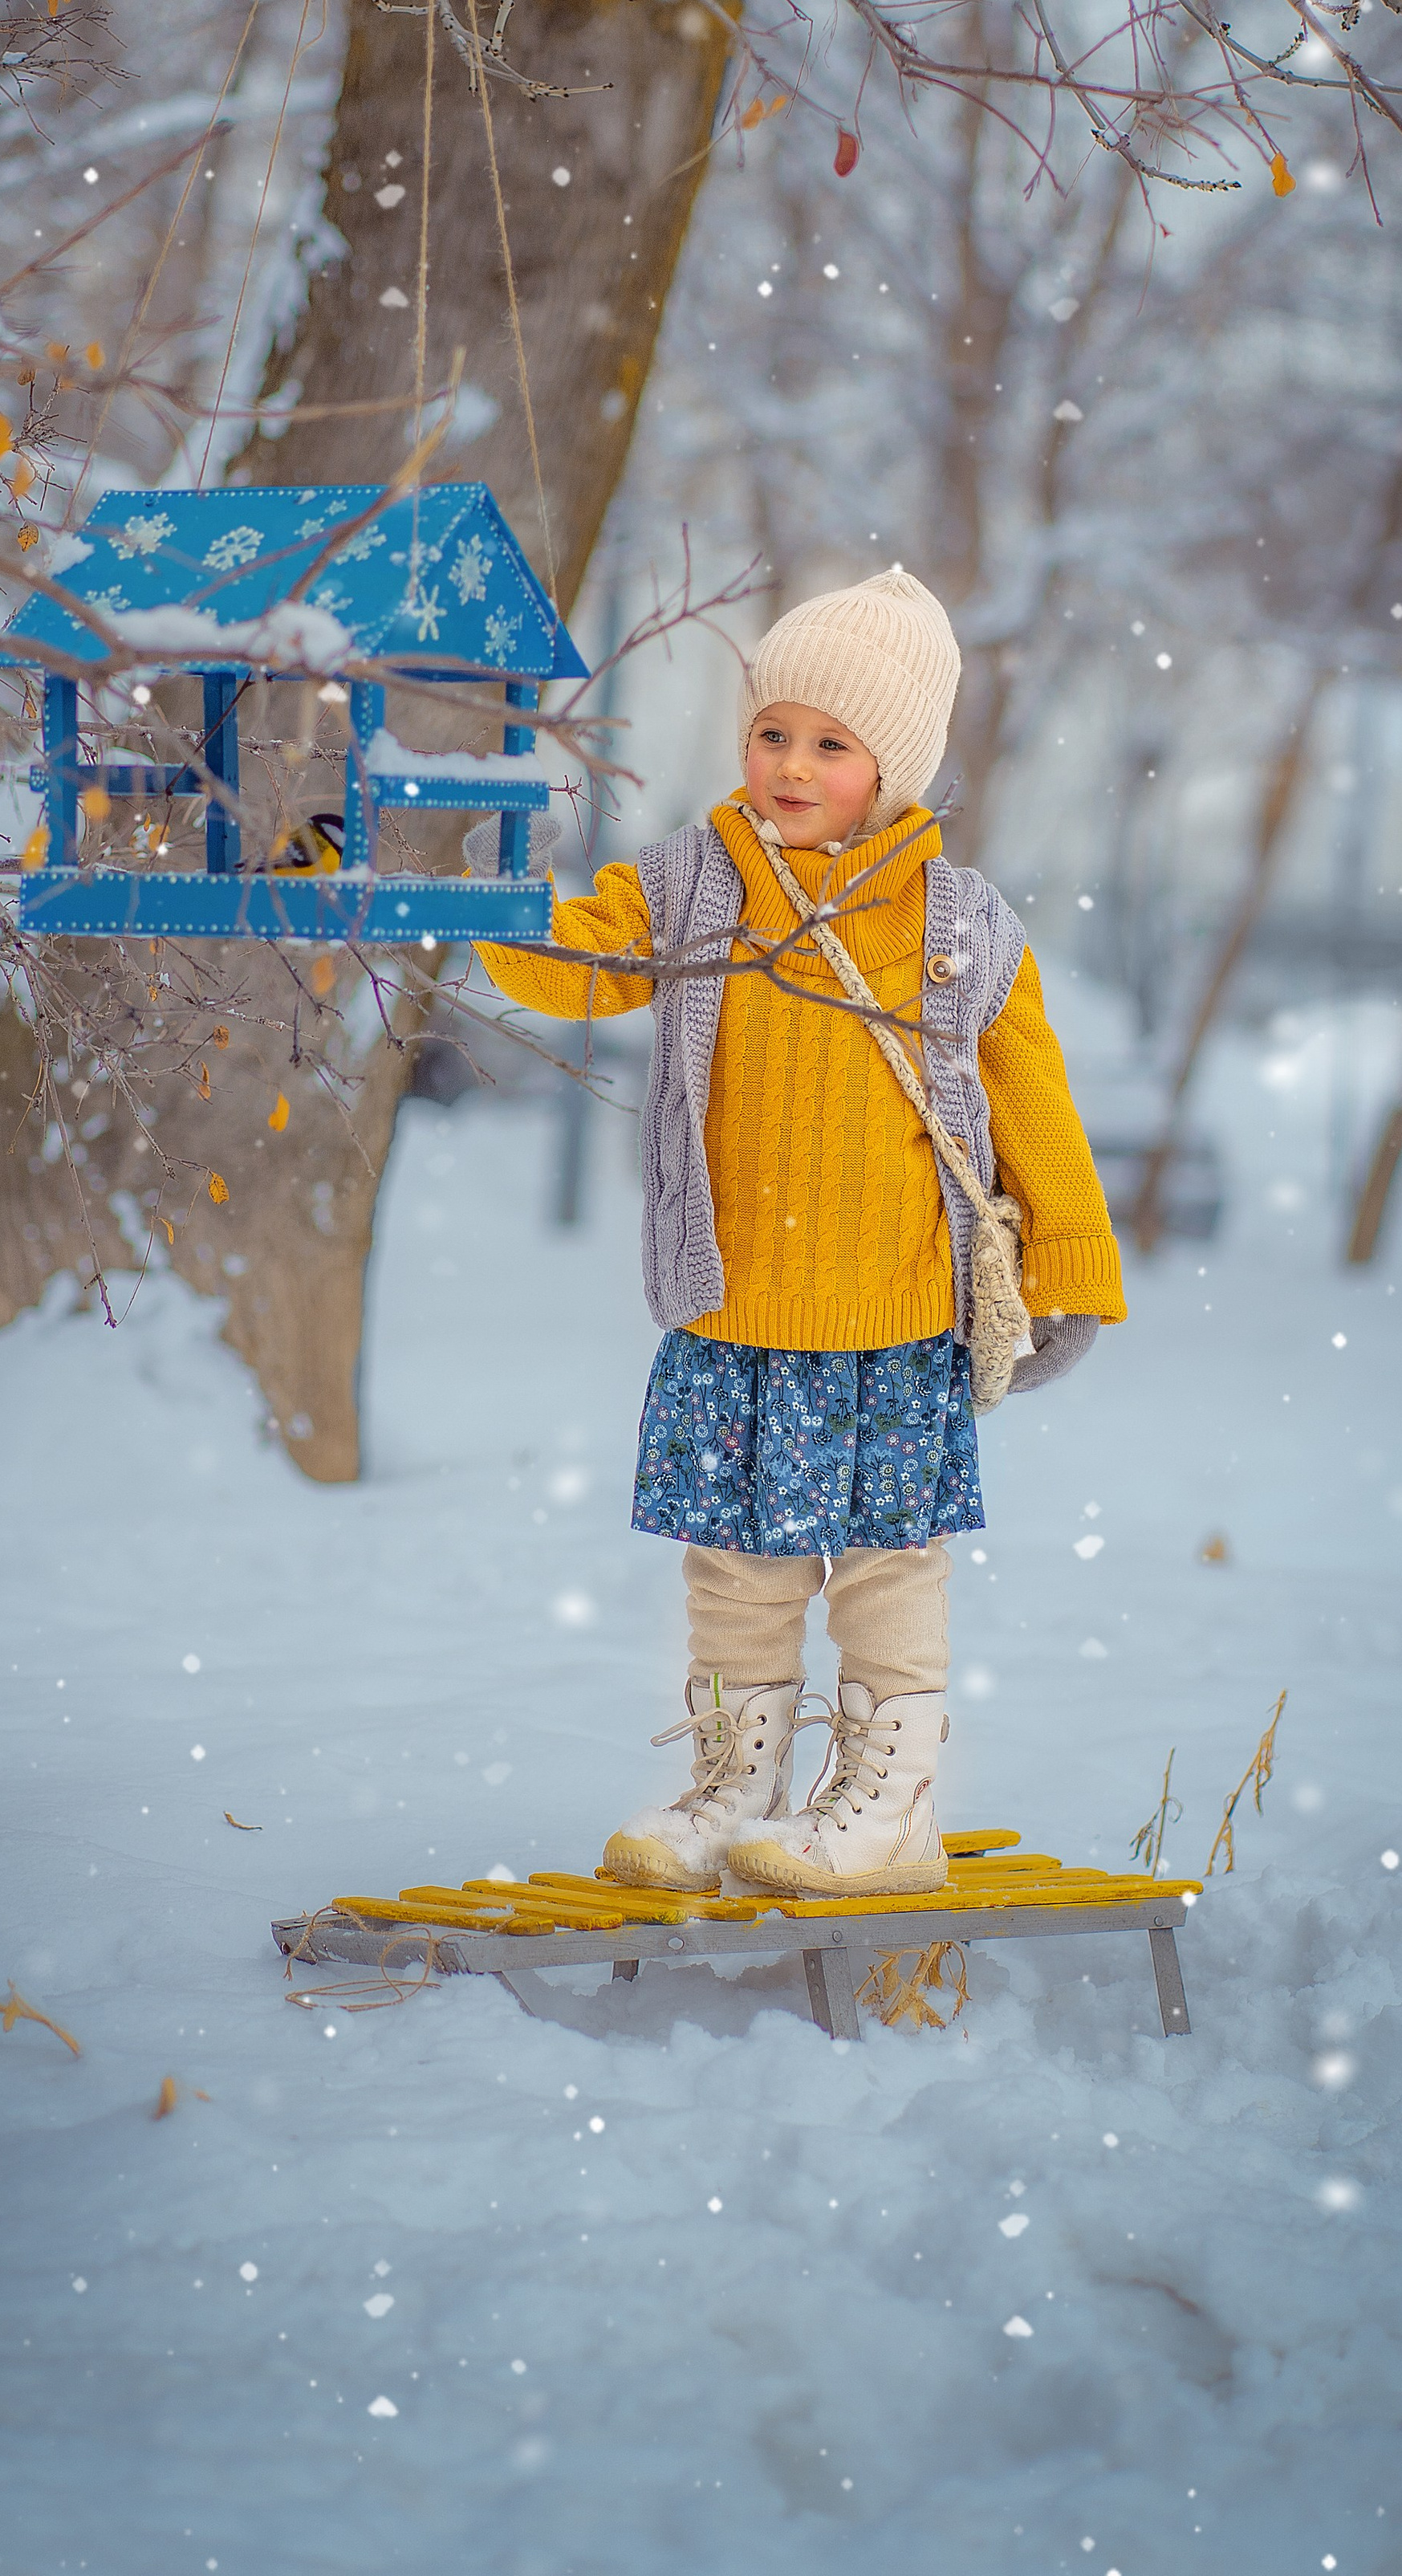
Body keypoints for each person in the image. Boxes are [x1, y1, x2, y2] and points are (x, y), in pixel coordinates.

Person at [469, 564, 1124, 1899]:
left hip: (889, 1310)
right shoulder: (696, 885)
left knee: (885, 1565)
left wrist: (1070, 1267)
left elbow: (1034, 1106)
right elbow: (576, 963)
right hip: (736, 1302)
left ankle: (891, 1804)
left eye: (832, 743)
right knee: (742, 1570)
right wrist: (478, 901)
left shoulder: (959, 926)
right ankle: (736, 1787)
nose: (790, 763)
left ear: (897, 769)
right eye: (774, 730)